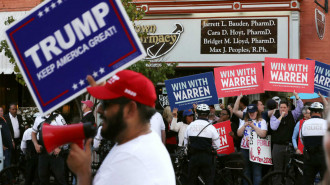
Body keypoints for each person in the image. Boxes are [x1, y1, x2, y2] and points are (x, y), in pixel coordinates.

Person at [67, 70, 175, 185]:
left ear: (130, 109)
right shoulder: (143, 143)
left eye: (106, 104)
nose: (99, 110)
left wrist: (83, 173)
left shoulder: (129, 158)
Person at [270, 91, 303, 185]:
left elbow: (300, 107)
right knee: (277, 170)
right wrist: (281, 116)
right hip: (277, 147)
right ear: (278, 108)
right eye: (281, 107)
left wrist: (297, 96)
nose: (282, 109)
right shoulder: (274, 116)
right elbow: (274, 127)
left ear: (288, 108)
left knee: (289, 170)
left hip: (289, 146)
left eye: (284, 107)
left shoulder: (293, 114)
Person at [184, 104, 220, 185]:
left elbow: (186, 143)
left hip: (194, 157)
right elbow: (217, 145)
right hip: (206, 158)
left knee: (191, 181)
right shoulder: (211, 128)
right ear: (207, 113)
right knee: (208, 181)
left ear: (197, 113)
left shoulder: (190, 126)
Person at [31, 112, 67, 185]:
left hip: (56, 153)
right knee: (42, 177)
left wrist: (59, 147)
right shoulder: (38, 118)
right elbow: (33, 133)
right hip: (43, 153)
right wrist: (35, 144)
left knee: (59, 178)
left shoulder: (58, 117)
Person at [237, 104, 267, 185]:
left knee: (257, 172)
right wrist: (245, 125)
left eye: (253, 112)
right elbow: (239, 134)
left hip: (257, 150)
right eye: (250, 113)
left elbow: (263, 134)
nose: (251, 114)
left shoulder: (262, 121)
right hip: (245, 149)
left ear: (257, 112)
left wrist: (254, 126)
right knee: (246, 171)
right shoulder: (243, 121)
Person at [301, 102, 327, 185]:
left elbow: (302, 140)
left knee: (307, 181)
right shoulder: (326, 123)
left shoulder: (305, 124)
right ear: (321, 112)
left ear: (311, 112)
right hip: (323, 157)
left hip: (309, 158)